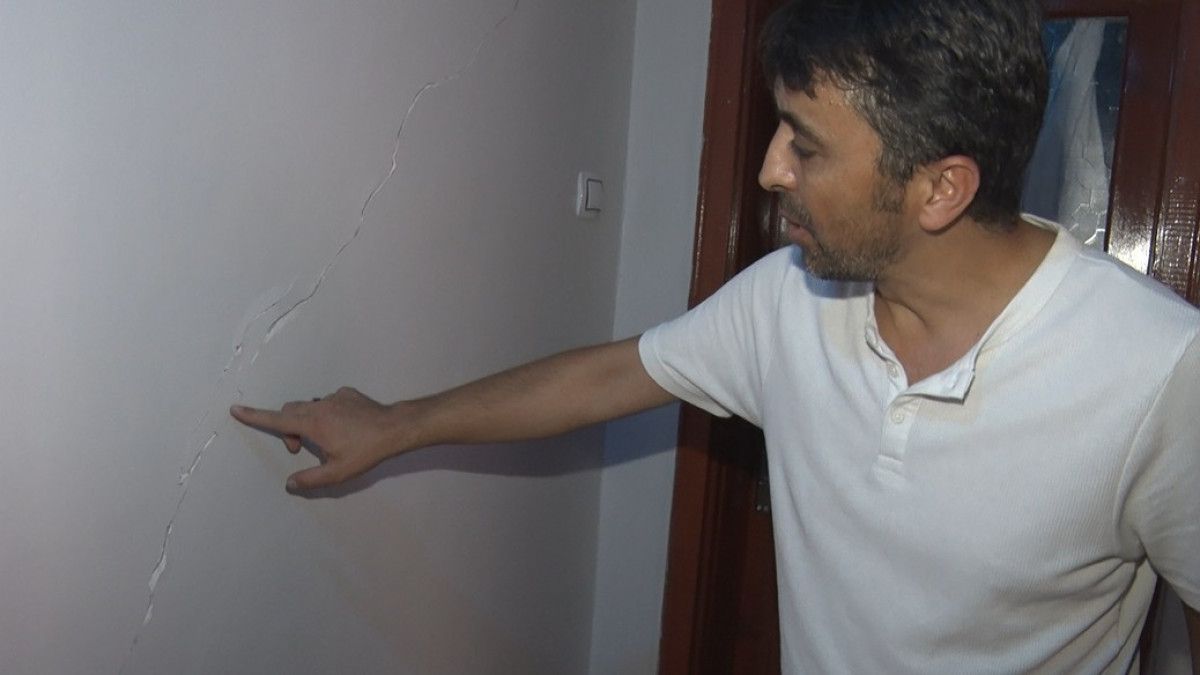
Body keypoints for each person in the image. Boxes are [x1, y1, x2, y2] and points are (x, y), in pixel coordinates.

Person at [232, 0, 1200, 671]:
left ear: (941, 187)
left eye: (805, 143)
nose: (772, 169)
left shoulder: (1158, 371)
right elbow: (610, 376)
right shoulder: (789, 300)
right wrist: (394, 423)